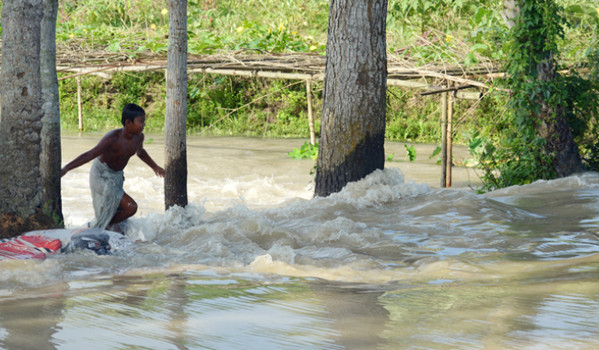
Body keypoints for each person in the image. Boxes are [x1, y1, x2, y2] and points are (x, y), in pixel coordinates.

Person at [61, 103, 165, 231]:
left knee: (119, 210)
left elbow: (140, 152)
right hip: (101, 175)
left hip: (116, 176)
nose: (144, 125)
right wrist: (66, 168)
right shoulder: (112, 138)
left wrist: (155, 167)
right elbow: (89, 154)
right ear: (128, 122)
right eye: (141, 121)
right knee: (131, 207)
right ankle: (99, 226)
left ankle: (105, 226)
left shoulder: (139, 137)